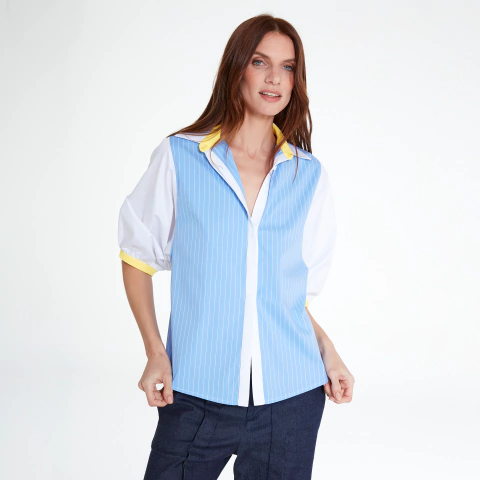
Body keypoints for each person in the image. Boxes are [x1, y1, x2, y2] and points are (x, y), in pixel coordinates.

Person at [118, 13, 355, 480]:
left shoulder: (307, 175)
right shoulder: (181, 157)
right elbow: (136, 257)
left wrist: (327, 349)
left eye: (288, 67)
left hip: (292, 398)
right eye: (260, 62)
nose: (274, 78)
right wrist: (155, 351)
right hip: (196, 393)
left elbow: (285, 296)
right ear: (237, 68)